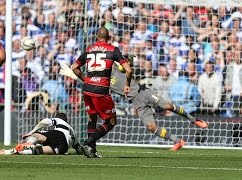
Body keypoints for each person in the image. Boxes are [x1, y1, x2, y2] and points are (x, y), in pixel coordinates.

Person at [60, 55, 208, 152]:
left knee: (168, 106)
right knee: (151, 127)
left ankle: (194, 120)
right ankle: (177, 141)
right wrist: (73, 75)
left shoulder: (113, 67)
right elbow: (86, 81)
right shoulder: (102, 81)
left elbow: (127, 63)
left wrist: (128, 59)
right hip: (136, 102)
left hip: (144, 92)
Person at [70, 27, 132, 158]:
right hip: (101, 89)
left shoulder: (89, 49)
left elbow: (74, 67)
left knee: (92, 118)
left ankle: (92, 151)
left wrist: (86, 79)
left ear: (96, 37)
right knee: (111, 122)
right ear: (108, 37)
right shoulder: (113, 49)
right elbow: (129, 70)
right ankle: (88, 142)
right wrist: (127, 85)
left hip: (87, 88)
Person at [0, 112, 81, 155]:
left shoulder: (59, 120)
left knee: (36, 135)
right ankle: (10, 151)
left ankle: (29, 143)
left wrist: (31, 132)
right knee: (39, 151)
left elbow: (45, 121)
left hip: (60, 135)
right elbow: (79, 149)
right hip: (63, 148)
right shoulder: (72, 132)